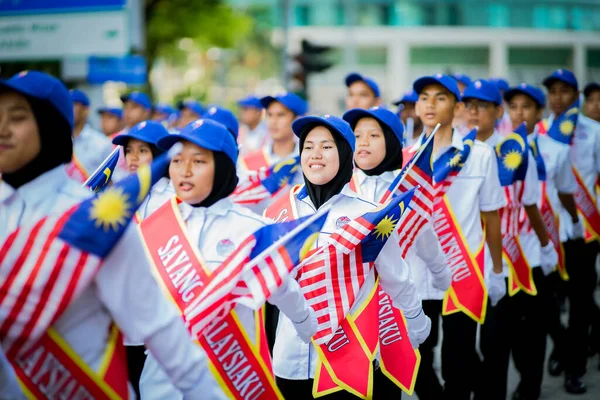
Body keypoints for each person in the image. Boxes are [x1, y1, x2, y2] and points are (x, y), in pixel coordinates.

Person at [0, 70, 219, 398]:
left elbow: (159, 328)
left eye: (17, 117)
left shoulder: (95, 219)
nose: (2, 129)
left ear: (50, 127)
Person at [138, 118, 317, 399]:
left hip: (227, 377)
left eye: (198, 162)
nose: (184, 171)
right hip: (162, 382)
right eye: (177, 161)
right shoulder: (156, 222)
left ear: (222, 167)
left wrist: (308, 326)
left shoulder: (249, 228)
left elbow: (281, 287)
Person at [264, 114, 430, 399]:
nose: (315, 154)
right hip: (289, 361)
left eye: (327, 146)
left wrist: (416, 322)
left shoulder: (369, 213)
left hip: (346, 363)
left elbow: (396, 278)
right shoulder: (279, 211)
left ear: (345, 154)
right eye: (308, 146)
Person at [342, 106, 450, 398]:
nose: (362, 142)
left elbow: (425, 236)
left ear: (392, 142)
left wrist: (442, 276)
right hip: (355, 308)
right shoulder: (342, 187)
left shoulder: (405, 189)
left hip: (396, 304)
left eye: (373, 135)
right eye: (356, 135)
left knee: (401, 375)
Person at [461, 79, 557, 400]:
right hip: (464, 262)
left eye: (482, 106)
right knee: (470, 351)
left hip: (509, 262)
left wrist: (545, 247)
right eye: (468, 105)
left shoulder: (515, 150)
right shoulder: (455, 154)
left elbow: (530, 203)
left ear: (496, 111)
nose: (473, 112)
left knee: (507, 345)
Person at [412, 74, 506, 400]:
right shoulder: (405, 157)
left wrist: (497, 270)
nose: (430, 104)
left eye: (440, 97)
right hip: (416, 273)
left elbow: (491, 215)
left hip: (461, 271)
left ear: (458, 106)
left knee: (459, 358)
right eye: (424, 97)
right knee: (418, 356)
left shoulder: (479, 155)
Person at [543, 69, 600, 394]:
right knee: (548, 303)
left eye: (565, 91)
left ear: (575, 95)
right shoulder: (539, 132)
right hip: (546, 233)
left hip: (582, 232)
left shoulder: (593, 131)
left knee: (579, 304)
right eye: (553, 91)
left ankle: (574, 368)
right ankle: (562, 346)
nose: (559, 97)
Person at [69, 89, 113, 181]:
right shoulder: (56, 142)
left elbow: (111, 179)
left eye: (74, 104)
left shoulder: (102, 143)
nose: (68, 107)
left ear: (86, 110)